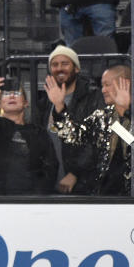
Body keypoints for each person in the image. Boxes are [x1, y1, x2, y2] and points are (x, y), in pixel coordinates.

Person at [63, 64, 134, 196]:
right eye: (102, 85)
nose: (103, 90)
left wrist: (129, 110)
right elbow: (74, 136)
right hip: (105, 196)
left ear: (125, 84)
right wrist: (60, 107)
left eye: (107, 84)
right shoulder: (101, 117)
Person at [38, 45, 105, 194]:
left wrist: (75, 173)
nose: (59, 68)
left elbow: (96, 140)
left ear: (76, 69)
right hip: (51, 184)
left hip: (81, 184)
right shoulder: (46, 99)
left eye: (65, 64)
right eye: (54, 65)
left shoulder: (93, 97)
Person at [0, 77, 59, 195]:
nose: (12, 96)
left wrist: (38, 195)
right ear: (0, 103)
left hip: (31, 201)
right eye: (6, 94)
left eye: (17, 93)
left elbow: (51, 166)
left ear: (26, 102)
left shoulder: (39, 132)